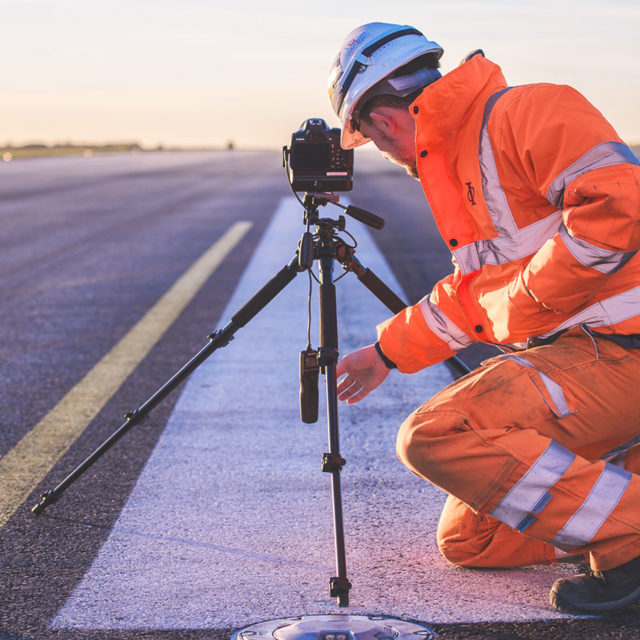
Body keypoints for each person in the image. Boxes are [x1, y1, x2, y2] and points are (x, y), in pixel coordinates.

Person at [329, 22, 640, 615]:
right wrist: (386, 353)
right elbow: (475, 292)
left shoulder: (529, 110)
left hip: (621, 350)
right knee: (474, 538)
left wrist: (527, 297)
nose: (387, 154)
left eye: (371, 138)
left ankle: (630, 540)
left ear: (385, 119)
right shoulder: (462, 165)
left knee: (437, 433)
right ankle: (624, 499)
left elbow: (618, 204)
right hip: (584, 359)